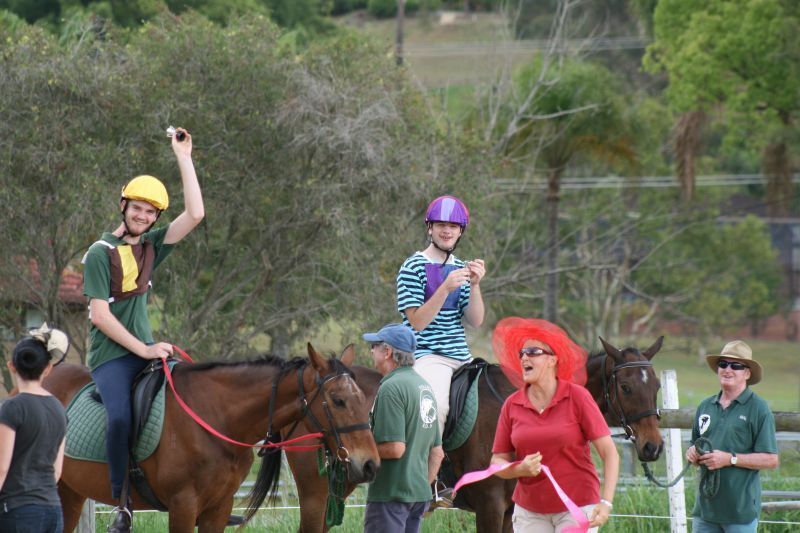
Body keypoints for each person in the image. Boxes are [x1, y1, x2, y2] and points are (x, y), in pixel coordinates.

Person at [81, 127, 204, 532]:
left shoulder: (151, 245)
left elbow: (196, 215)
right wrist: (146, 349)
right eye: (138, 208)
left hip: (147, 351)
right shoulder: (99, 254)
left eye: (151, 212)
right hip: (113, 359)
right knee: (118, 419)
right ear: (123, 205)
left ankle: (203, 494)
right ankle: (122, 503)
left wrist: (183, 156)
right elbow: (100, 316)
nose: (144, 216)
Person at [490, 317, 619, 532]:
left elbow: (610, 453)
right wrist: (517, 469)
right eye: (521, 353)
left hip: (577, 506)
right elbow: (497, 460)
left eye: (533, 352)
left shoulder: (578, 397)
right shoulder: (512, 404)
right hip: (529, 512)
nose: (524, 358)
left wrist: (605, 503)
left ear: (552, 360)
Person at [396, 195, 485, 443]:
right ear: (430, 228)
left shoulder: (460, 268)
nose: (447, 230)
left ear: (460, 232)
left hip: (463, 356)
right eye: (441, 225)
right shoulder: (412, 267)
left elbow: (476, 320)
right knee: (436, 408)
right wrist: (444, 288)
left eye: (453, 226)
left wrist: (475, 285)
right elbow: (417, 322)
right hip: (427, 355)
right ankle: (426, 474)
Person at [685, 340, 778, 533]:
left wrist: (730, 459)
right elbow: (695, 445)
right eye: (723, 364)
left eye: (736, 365)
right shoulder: (705, 406)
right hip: (705, 512)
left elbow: (771, 459)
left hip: (739, 513)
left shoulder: (759, 409)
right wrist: (692, 453)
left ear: (747, 373)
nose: (728, 369)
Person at [362, 323, 445, 533]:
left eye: (374, 345)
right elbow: (437, 452)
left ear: (387, 352)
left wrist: (358, 450)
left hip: (390, 496)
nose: (371, 350)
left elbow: (396, 448)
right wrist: (423, 488)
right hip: (418, 496)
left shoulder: (391, 388)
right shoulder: (424, 387)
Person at [0, 324, 69, 533]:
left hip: (18, 511)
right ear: (47, 369)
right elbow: (57, 472)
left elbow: (2, 468)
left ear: (12, 366)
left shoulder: (12, 407)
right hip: (53, 510)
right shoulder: (59, 409)